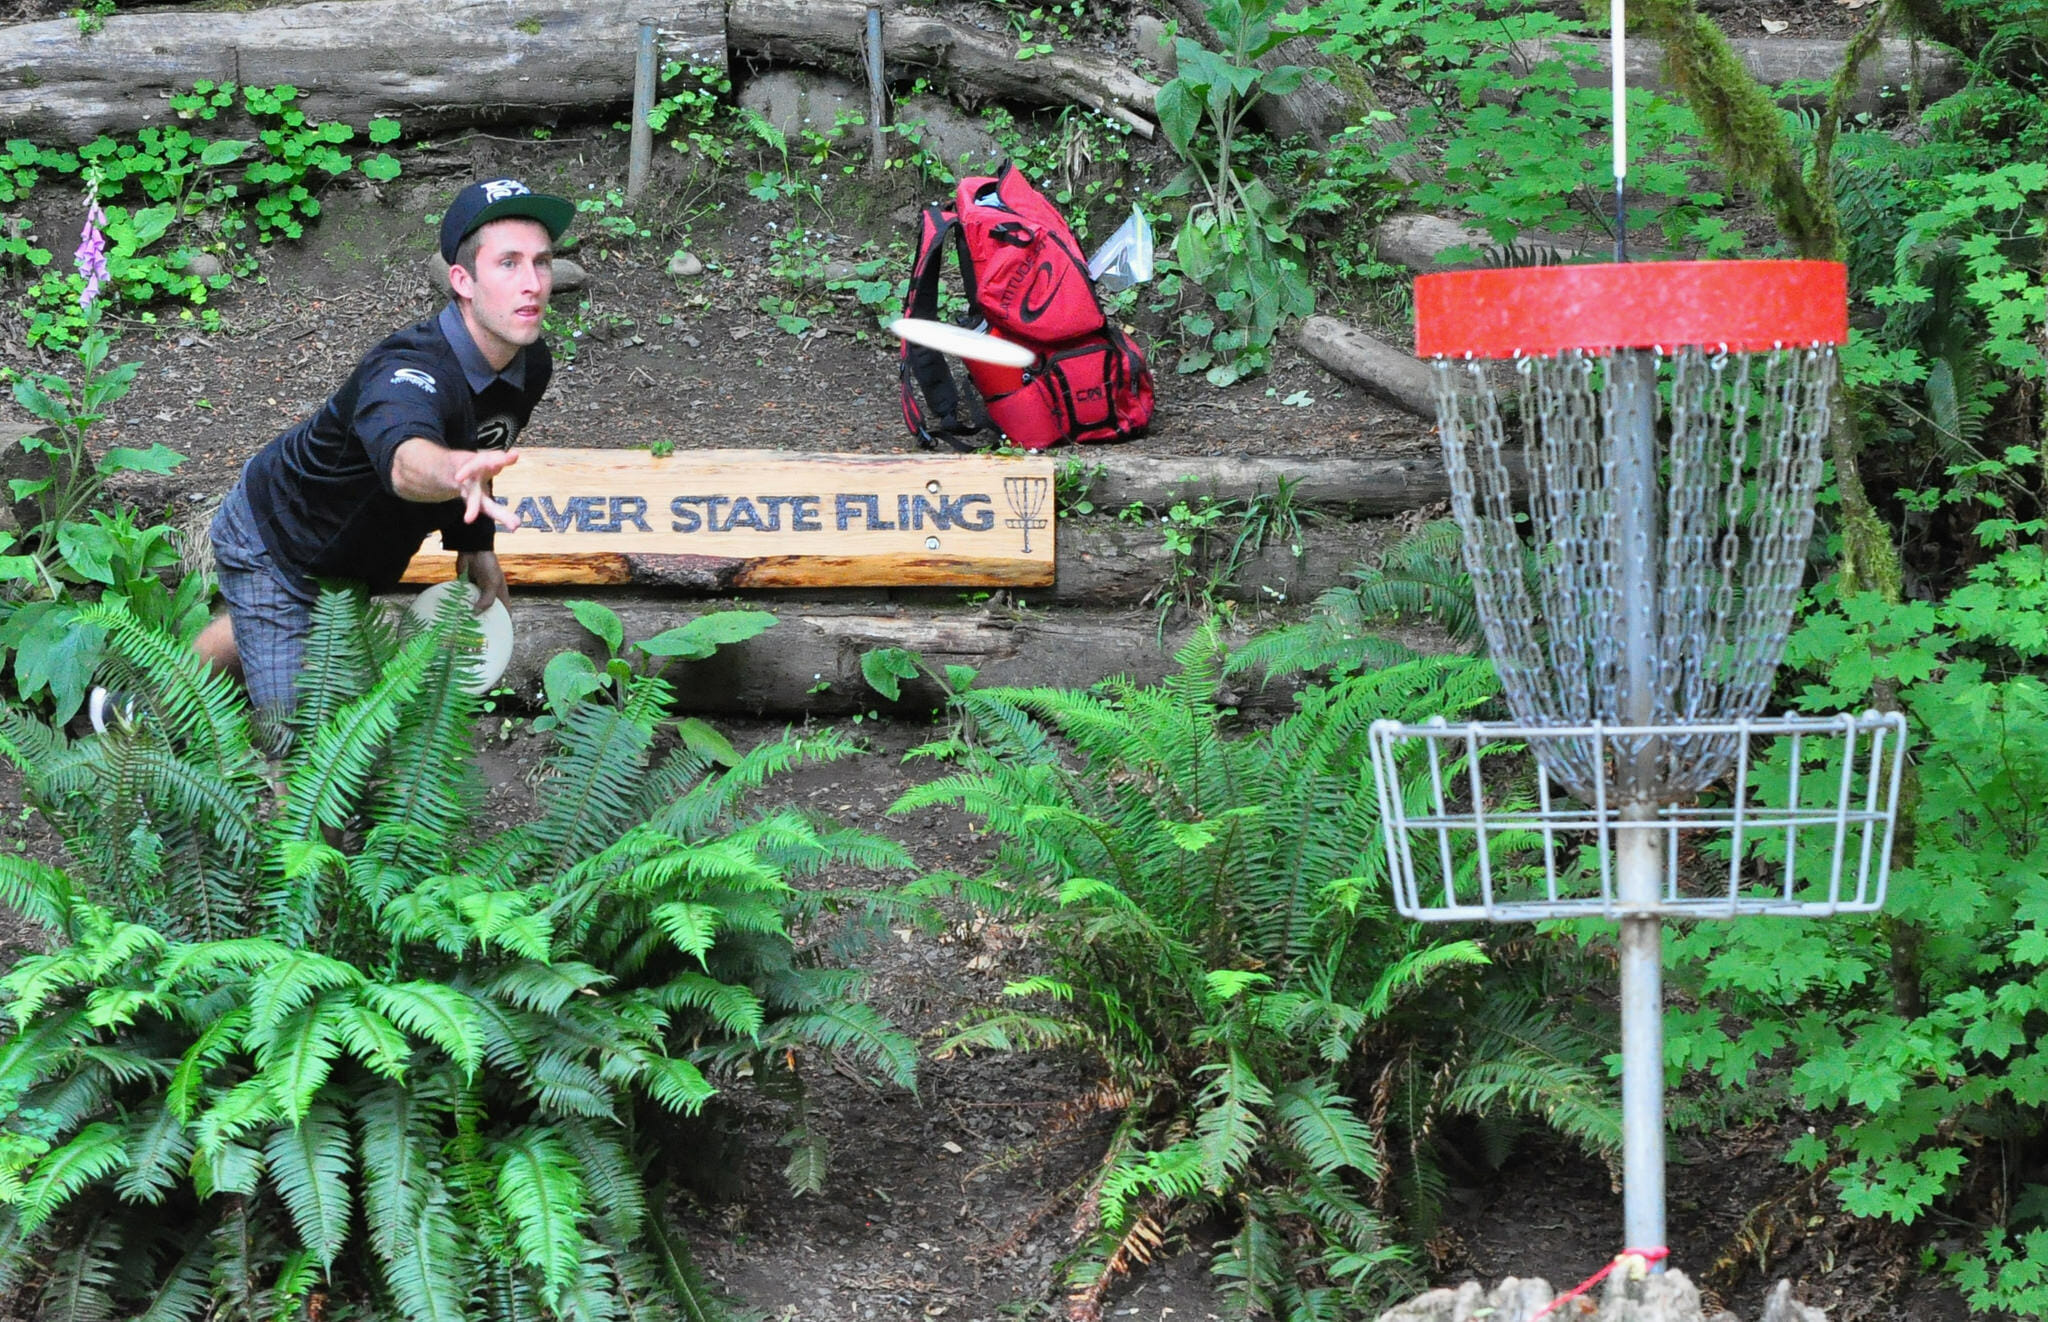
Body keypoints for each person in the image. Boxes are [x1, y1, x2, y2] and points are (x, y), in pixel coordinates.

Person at [90, 177, 575, 735]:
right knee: (305, 751)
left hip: (352, 549)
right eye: (508, 263)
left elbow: (482, 447)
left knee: (261, 628)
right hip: (275, 539)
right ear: (462, 280)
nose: (533, 283)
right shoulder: (406, 372)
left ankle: (129, 707)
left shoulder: (527, 361)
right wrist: (450, 469)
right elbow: (406, 454)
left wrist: (475, 546)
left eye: (542, 262)